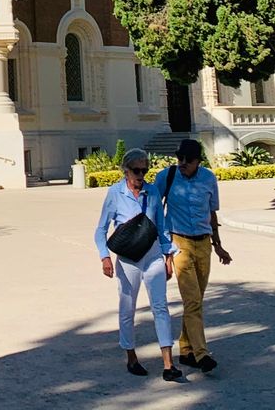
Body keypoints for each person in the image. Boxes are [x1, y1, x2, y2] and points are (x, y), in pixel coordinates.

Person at [95, 148, 182, 381]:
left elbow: (162, 227)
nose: (141, 174)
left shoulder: (152, 192)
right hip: (127, 259)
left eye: (145, 169)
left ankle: (168, 363)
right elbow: (101, 229)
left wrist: (168, 256)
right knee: (127, 307)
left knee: (161, 307)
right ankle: (131, 356)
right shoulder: (115, 193)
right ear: (126, 170)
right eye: (136, 170)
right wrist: (104, 256)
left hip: (152, 254)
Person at [154, 139, 232, 372]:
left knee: (196, 299)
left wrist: (218, 244)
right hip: (179, 243)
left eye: (188, 160)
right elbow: (154, 210)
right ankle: (201, 354)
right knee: (192, 300)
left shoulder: (208, 178)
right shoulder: (167, 177)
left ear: (199, 160)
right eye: (180, 159)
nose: (183, 164)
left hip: (204, 244)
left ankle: (186, 349)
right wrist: (164, 249)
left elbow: (212, 212)